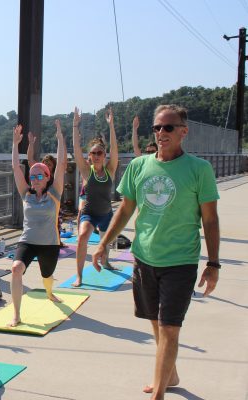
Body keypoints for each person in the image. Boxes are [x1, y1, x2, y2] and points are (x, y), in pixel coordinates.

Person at [92, 104, 220, 399]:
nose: (161, 133)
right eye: (157, 128)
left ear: (183, 132)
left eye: (168, 127)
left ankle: (158, 393)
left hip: (181, 261)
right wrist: (103, 244)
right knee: (156, 324)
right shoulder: (139, 166)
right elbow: (125, 210)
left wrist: (213, 263)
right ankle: (170, 373)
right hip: (144, 259)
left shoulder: (200, 170)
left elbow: (210, 220)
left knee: (170, 328)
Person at [9, 120, 67, 326]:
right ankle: (16, 314)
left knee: (47, 277)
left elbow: (61, 164)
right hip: (27, 241)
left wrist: (60, 136)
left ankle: (50, 293)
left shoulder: (55, 193)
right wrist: (15, 144)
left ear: (47, 177)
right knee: (16, 268)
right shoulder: (26, 194)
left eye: (39, 175)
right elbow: (16, 167)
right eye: (32, 176)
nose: (34, 179)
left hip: (50, 244)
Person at [72, 106, 119, 286]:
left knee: (105, 245)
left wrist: (112, 126)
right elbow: (76, 149)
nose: (97, 156)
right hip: (90, 213)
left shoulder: (110, 170)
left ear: (104, 155)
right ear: (89, 156)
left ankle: (106, 261)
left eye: (100, 153)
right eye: (94, 153)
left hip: (106, 213)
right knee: (83, 236)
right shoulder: (86, 171)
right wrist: (75, 126)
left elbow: (115, 149)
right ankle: (79, 276)